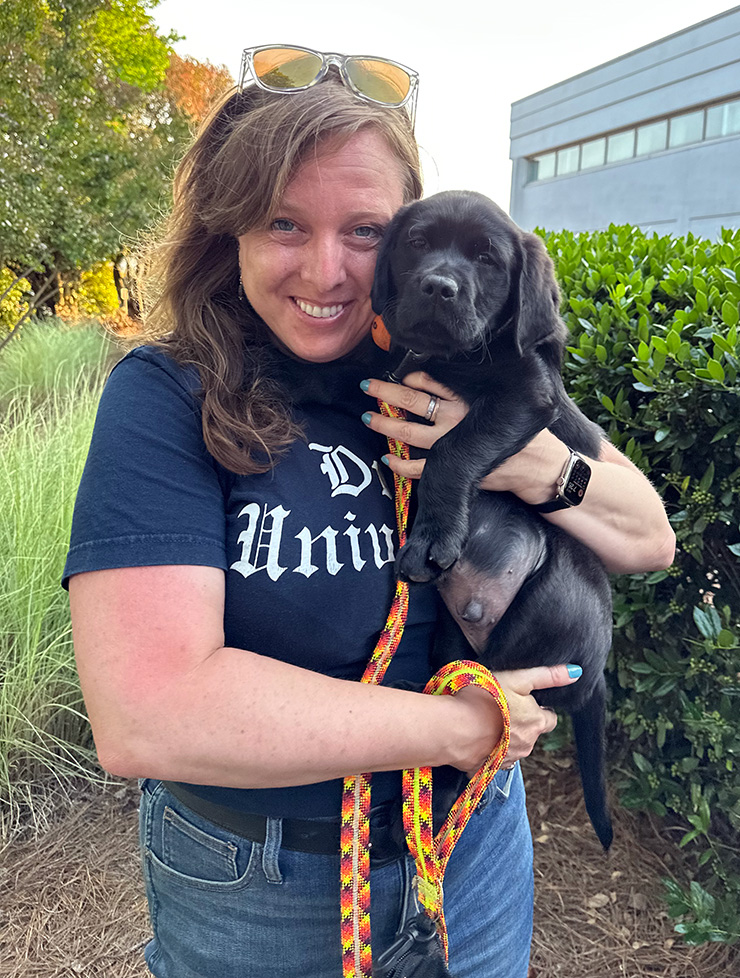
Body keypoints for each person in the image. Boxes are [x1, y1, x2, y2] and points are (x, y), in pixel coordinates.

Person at [63, 46, 675, 978]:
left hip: (469, 853)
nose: (326, 269)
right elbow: (148, 714)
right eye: (283, 223)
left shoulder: (443, 372)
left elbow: (649, 536)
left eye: (364, 231)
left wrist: (528, 464)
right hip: (261, 885)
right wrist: (463, 730)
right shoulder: (165, 398)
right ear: (230, 230)